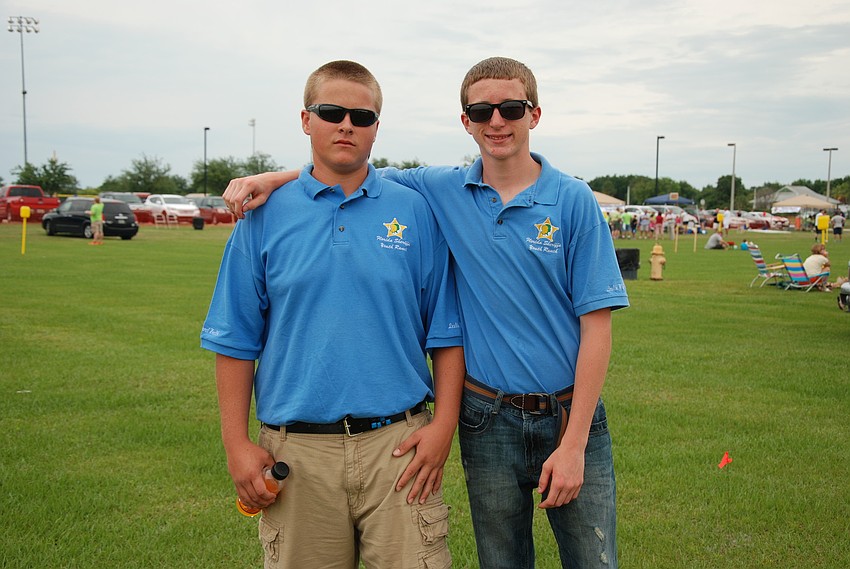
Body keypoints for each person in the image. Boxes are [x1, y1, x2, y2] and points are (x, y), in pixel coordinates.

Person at [223, 56, 629, 569]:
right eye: (481, 110)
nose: (496, 120)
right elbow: (350, 168)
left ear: (535, 114)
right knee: (501, 561)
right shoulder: (442, 188)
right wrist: (279, 178)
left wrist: (572, 444)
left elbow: (597, 328)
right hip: (488, 417)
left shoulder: (572, 200)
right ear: (465, 121)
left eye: (510, 107)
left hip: (571, 415)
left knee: (593, 560)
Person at [200, 60, 465, 568]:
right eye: (331, 112)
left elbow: (446, 334)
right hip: (296, 454)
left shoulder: (414, 212)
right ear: (306, 120)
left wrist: (444, 425)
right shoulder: (264, 218)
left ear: (375, 129)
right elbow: (235, 340)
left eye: (361, 117)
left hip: (400, 449)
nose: (347, 125)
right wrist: (235, 442)